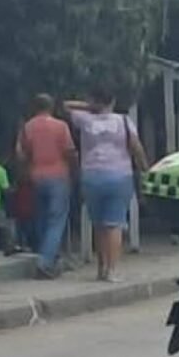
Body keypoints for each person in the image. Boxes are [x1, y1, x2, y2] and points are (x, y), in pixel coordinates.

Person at [65, 88, 148, 282]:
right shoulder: (124, 121)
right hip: (120, 176)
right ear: (113, 101)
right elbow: (135, 146)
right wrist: (145, 168)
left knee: (99, 225)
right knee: (115, 224)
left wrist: (91, 106)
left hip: (92, 176)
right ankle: (111, 270)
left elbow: (65, 105)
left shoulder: (85, 120)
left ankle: (101, 268)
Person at [17, 94, 77, 278]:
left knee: (42, 219)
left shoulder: (27, 127)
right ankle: (45, 261)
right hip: (59, 176)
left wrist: (26, 172)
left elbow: (21, 154)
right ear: (51, 107)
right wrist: (75, 171)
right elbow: (69, 151)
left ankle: (48, 255)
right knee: (56, 221)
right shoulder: (60, 126)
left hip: (36, 177)